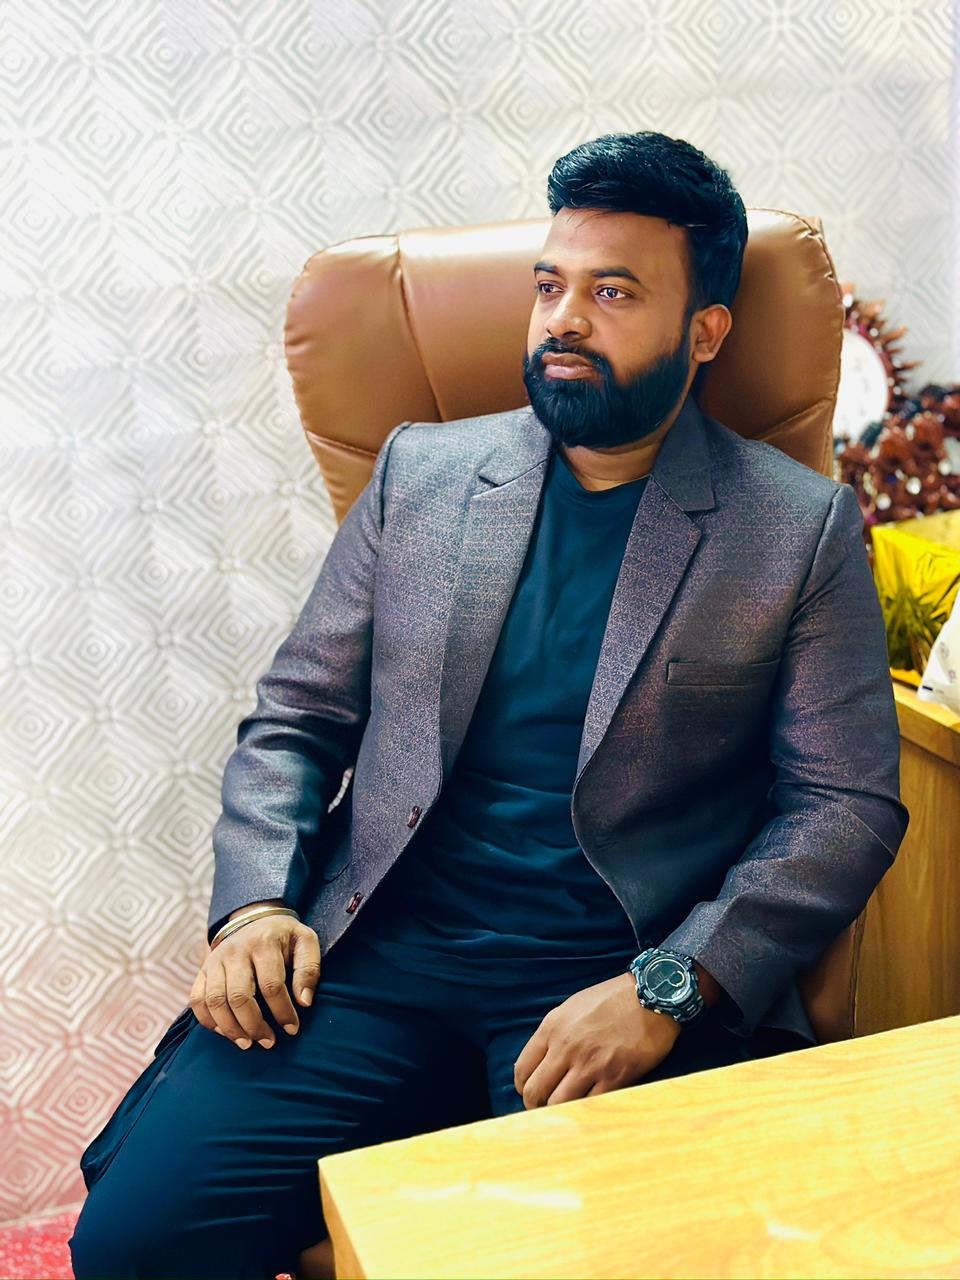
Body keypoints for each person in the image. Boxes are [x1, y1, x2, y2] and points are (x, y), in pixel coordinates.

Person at [70, 131, 908, 1280]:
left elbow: (845, 804)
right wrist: (256, 904)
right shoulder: (420, 477)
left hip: (612, 971)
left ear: (706, 330)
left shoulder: (796, 527)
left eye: (614, 293)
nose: (565, 319)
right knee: (133, 1243)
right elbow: (296, 717)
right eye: (550, 286)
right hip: (379, 961)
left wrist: (673, 983)